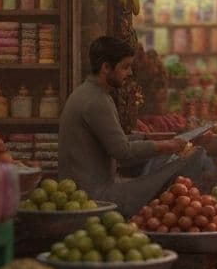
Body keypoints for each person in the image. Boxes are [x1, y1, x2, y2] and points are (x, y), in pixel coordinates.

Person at [58, 37, 186, 214]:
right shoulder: (96, 101)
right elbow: (123, 153)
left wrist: (151, 138)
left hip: (90, 189)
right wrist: (167, 146)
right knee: (186, 164)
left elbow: (115, 141)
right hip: (92, 197)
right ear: (106, 68)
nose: (130, 73)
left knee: (163, 162)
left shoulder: (90, 93)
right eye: (125, 67)